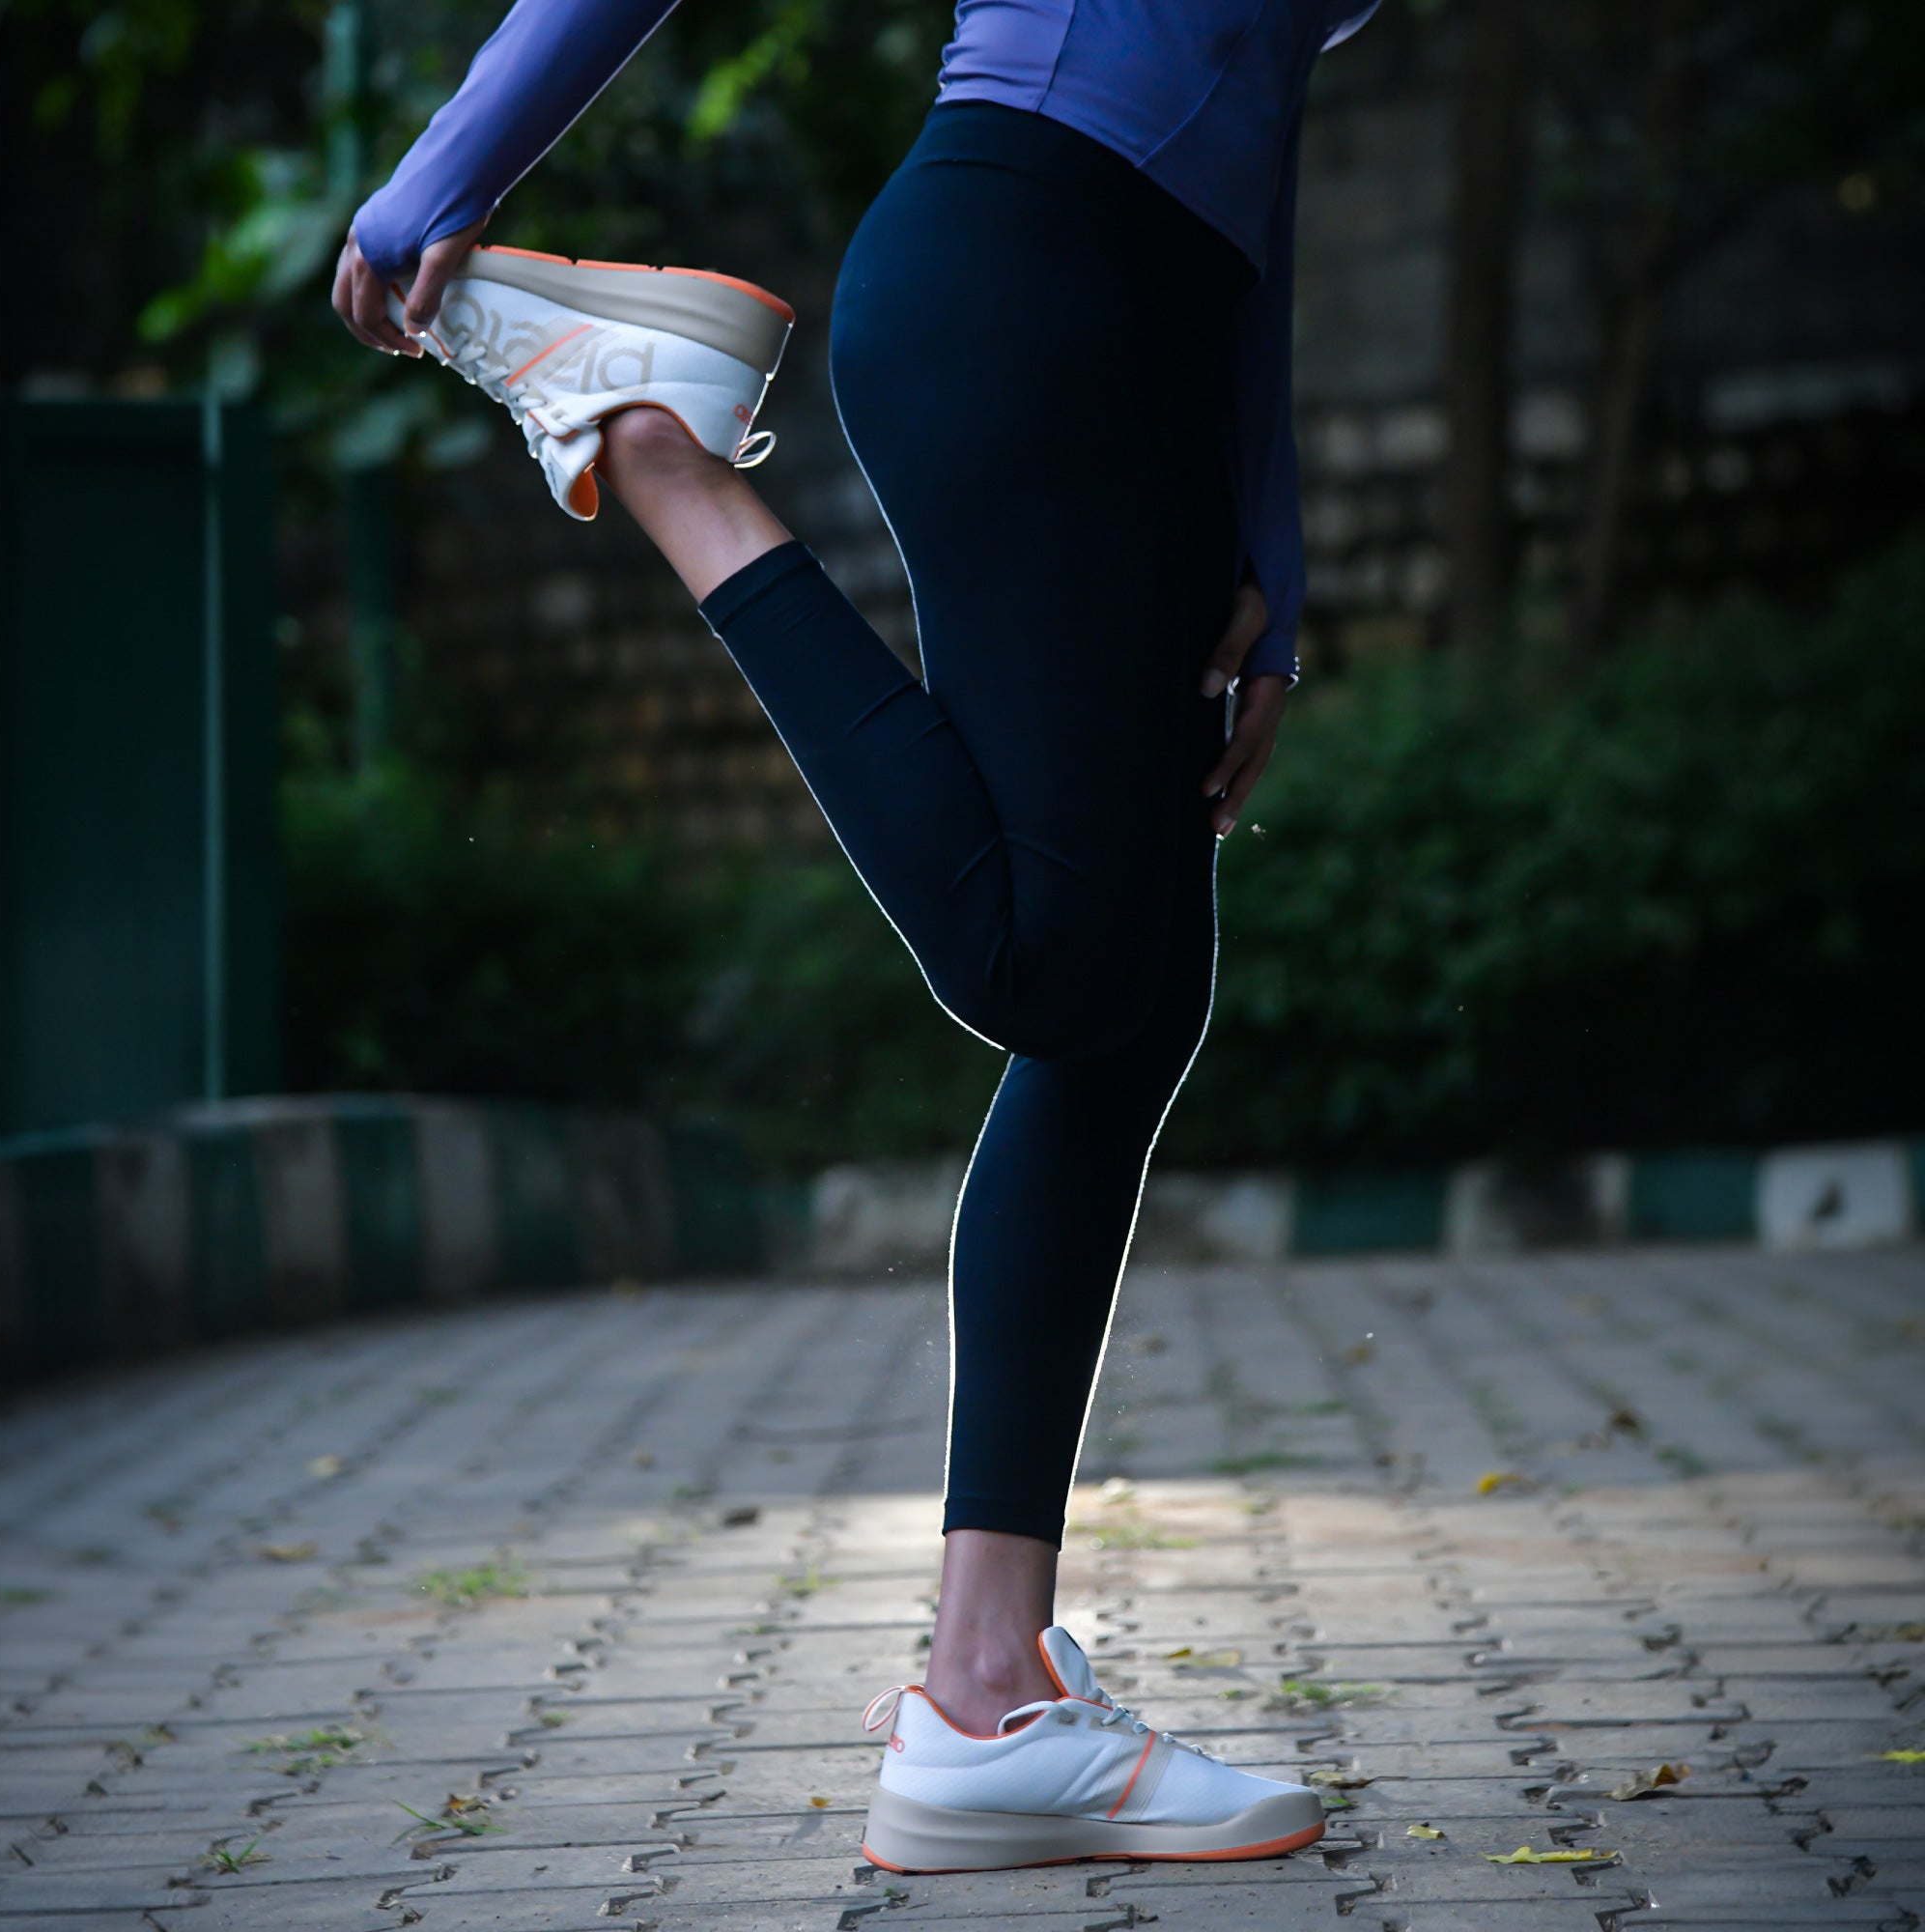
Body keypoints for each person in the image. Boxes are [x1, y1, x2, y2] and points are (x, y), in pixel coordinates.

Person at [333, 0, 1376, 1874]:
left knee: (1135, 1003)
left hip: (1140, 323)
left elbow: (1261, 123)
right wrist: (446, 176)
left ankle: (989, 1685)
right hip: (1028, 272)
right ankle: (652, 449)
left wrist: (1271, 560)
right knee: (1050, 962)